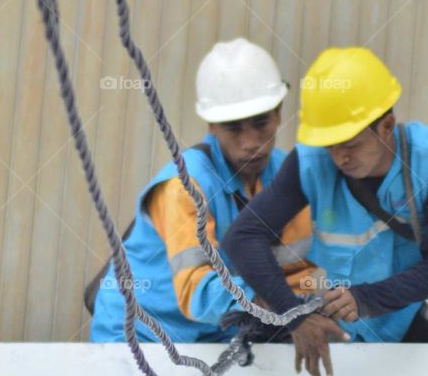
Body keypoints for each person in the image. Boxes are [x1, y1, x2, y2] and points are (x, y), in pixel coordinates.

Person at [222, 46, 428, 376]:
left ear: (386, 125)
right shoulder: (311, 162)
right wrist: (294, 317)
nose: (340, 157)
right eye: (330, 143)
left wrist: (365, 298)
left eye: (350, 143)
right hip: (379, 324)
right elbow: (243, 238)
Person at [90, 39, 319, 343]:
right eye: (234, 128)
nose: (250, 141)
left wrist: (319, 303)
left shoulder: (287, 177)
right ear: (212, 125)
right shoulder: (184, 186)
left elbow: (296, 271)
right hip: (138, 338)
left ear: (279, 113)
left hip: (215, 336)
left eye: (261, 123)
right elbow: (195, 287)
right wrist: (277, 307)